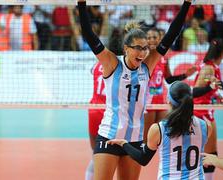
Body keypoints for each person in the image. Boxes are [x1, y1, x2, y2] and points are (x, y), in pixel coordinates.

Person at [77, 0, 193, 179]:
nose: (142, 53)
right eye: (138, 48)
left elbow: (171, 35)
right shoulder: (112, 63)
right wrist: (82, 4)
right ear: (126, 48)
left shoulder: (148, 66)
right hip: (109, 134)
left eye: (145, 48)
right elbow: (89, 36)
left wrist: (186, 4)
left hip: (135, 140)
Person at [107, 81, 212, 180]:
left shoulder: (159, 129)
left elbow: (143, 159)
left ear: (168, 100)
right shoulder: (206, 126)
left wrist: (124, 144)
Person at [144, 28, 196, 142]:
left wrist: (185, 75)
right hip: (147, 101)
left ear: (159, 39)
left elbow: (168, 79)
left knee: (163, 134)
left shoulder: (163, 58)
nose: (152, 40)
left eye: (154, 37)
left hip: (160, 99)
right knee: (146, 137)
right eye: (148, 38)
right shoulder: (143, 57)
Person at [192, 38, 223, 180]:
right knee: (210, 153)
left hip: (206, 111)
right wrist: (211, 88)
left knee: (209, 152)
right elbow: (194, 91)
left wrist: (216, 94)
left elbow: (207, 88)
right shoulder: (209, 68)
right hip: (201, 113)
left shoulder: (212, 67)